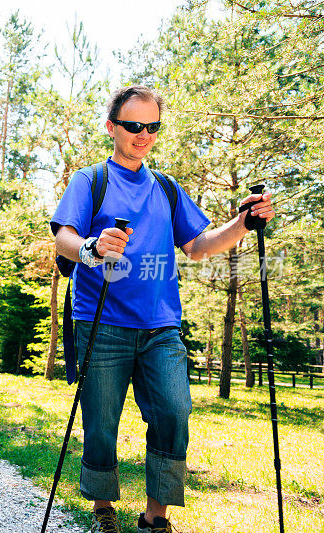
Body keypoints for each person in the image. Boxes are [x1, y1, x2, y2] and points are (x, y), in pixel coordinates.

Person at [50, 85, 274, 533]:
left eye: (152, 127)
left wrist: (243, 224)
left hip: (160, 326)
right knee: (100, 424)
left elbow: (198, 245)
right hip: (101, 323)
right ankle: (103, 510)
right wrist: (92, 248)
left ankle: (156, 517)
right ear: (112, 127)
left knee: (173, 412)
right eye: (134, 126)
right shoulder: (90, 181)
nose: (143, 134)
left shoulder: (167, 189)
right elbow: (64, 238)